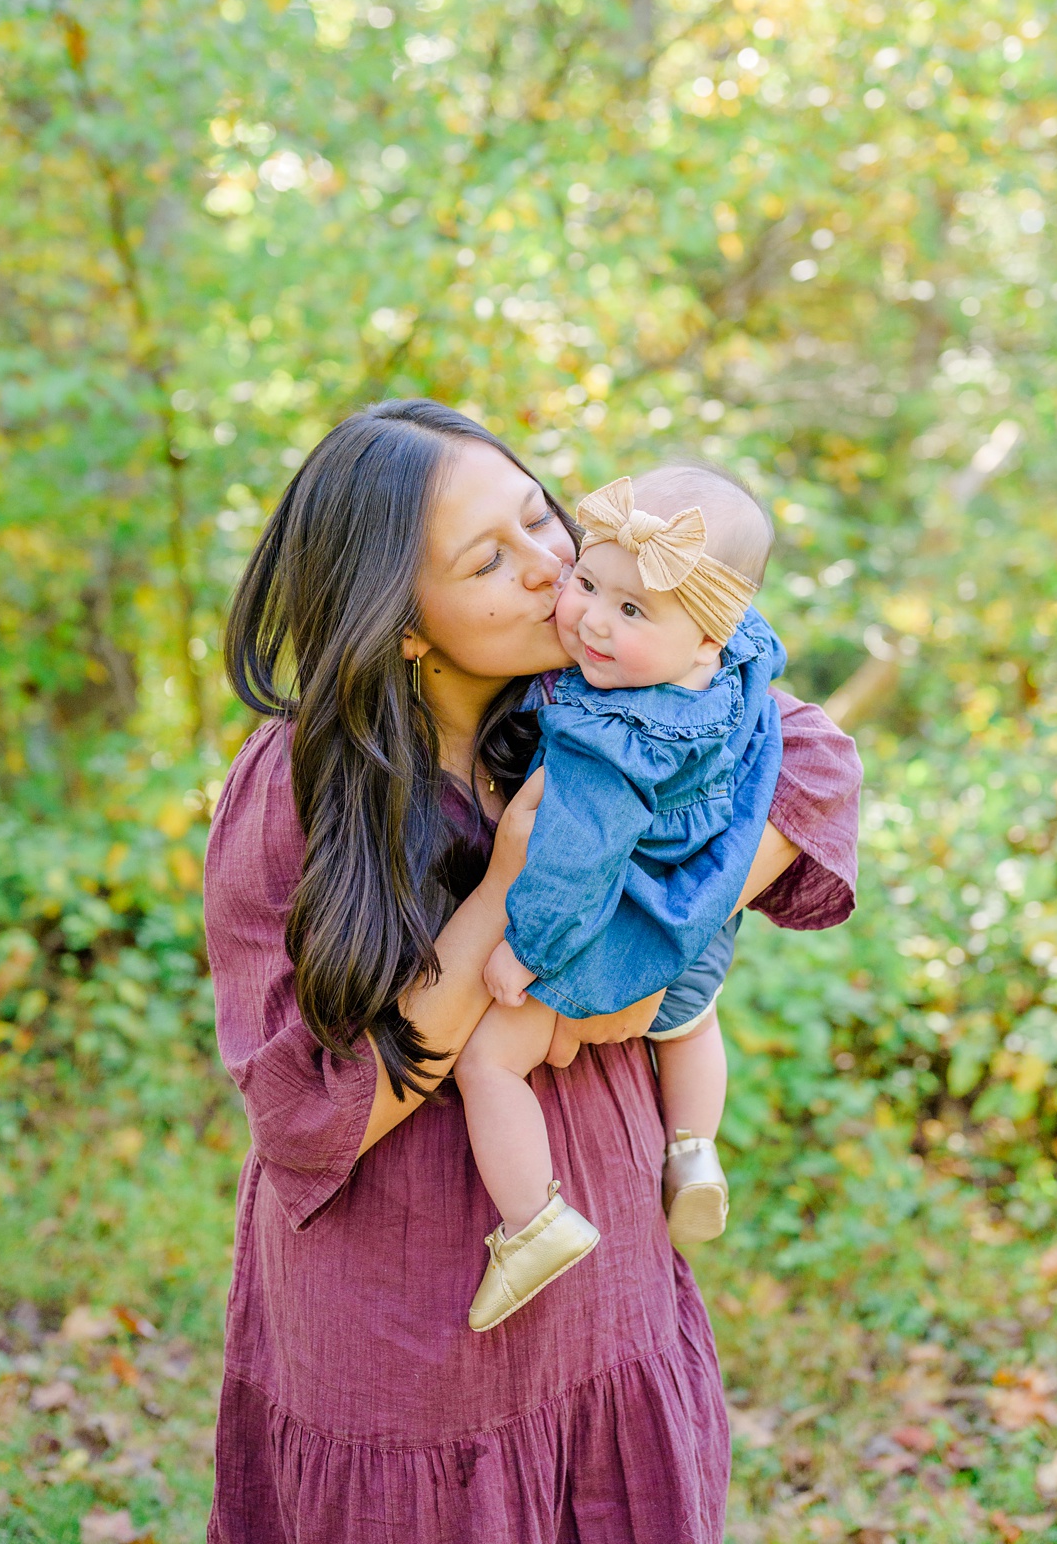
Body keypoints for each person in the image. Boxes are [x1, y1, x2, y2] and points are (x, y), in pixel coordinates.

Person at [204, 399, 860, 1539]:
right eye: (489, 561)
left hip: (604, 1298)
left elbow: (810, 762)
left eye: (539, 517)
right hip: (405, 1341)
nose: (551, 563)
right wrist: (515, 881)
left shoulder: (609, 692)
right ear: (403, 622)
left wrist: (638, 944)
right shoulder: (294, 790)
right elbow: (309, 1116)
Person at [459, 468, 786, 1332]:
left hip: (607, 931)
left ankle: (533, 1221)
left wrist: (523, 950)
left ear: (702, 637)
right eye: (591, 585)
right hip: (700, 918)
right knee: (694, 1021)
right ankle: (694, 1150)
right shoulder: (741, 663)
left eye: (632, 612)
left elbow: (573, 863)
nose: (594, 620)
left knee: (488, 1063)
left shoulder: (604, 737)